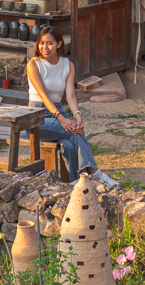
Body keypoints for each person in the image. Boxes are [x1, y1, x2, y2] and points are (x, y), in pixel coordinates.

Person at [26, 26, 117, 187]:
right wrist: (61, 118)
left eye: (50, 43)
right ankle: (94, 171)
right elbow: (43, 96)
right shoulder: (34, 64)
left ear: (59, 44)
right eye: (42, 43)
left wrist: (77, 116)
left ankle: (78, 183)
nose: (45, 47)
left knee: (69, 141)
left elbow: (70, 96)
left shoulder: (68, 65)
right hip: (35, 116)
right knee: (73, 131)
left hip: (57, 110)